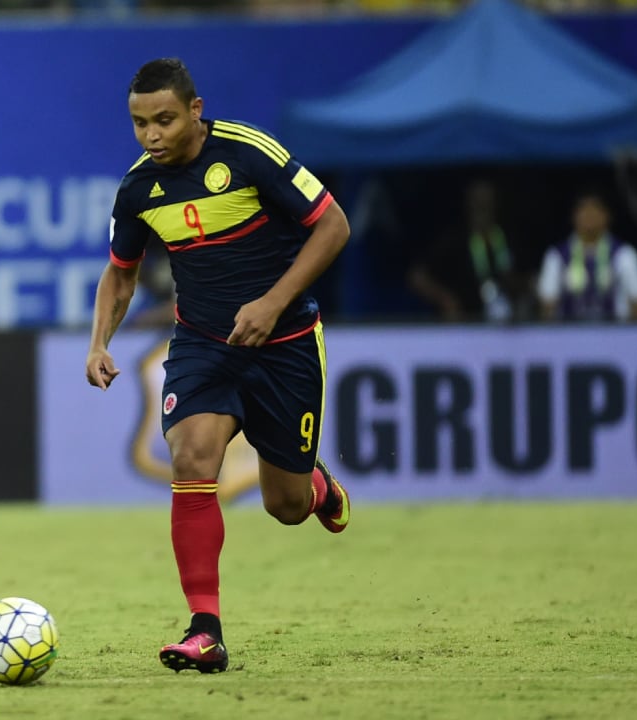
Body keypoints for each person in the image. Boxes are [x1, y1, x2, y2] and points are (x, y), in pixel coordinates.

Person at [85, 58, 351, 675]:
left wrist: (273, 302)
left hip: (285, 342)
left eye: (165, 120)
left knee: (284, 505)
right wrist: (99, 342)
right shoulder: (138, 189)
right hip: (204, 344)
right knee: (191, 458)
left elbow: (333, 225)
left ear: (196, 111)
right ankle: (205, 629)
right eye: (139, 123)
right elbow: (121, 273)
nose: (152, 134)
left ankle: (314, 485)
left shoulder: (250, 153)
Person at [406, 179, 530, 323]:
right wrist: (447, 300)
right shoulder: (455, 239)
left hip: (503, 321)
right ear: (468, 204)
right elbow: (417, 277)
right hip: (466, 322)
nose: (483, 209)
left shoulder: (503, 237)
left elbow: (515, 279)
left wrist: (523, 285)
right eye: (478, 204)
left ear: (496, 205)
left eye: (487, 204)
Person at [537, 191, 637, 322]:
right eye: (584, 210)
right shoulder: (557, 255)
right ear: (574, 216)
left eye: (595, 210)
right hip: (567, 335)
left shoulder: (624, 254)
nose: (589, 215)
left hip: (615, 334)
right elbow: (548, 305)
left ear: (607, 216)